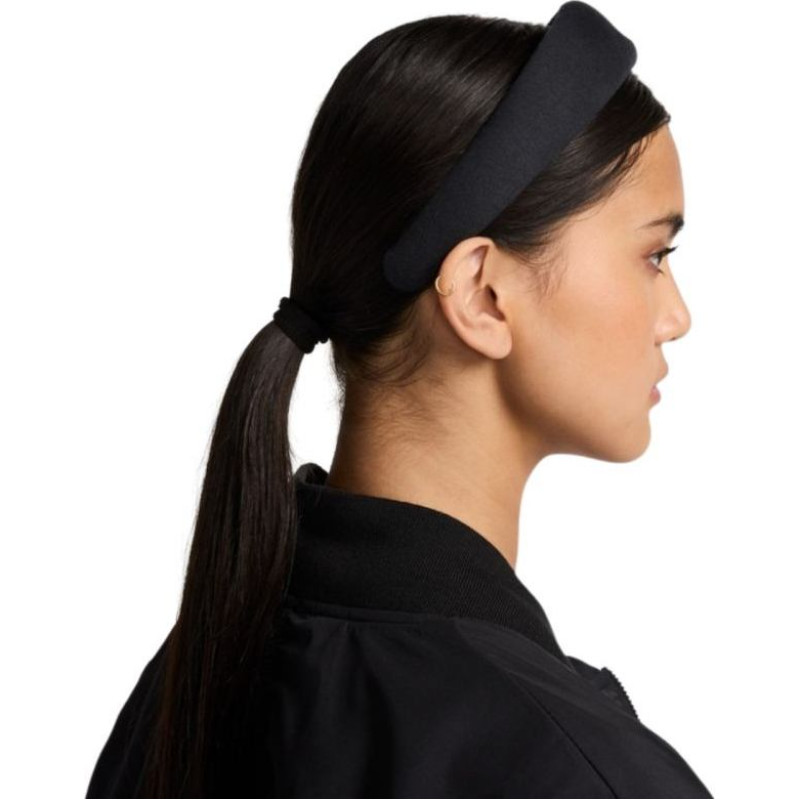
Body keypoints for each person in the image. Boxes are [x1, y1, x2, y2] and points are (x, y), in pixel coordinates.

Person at [86, 2, 713, 797]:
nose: (676, 317)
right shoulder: (567, 765)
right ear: (483, 293)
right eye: (654, 255)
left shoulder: (188, 686)